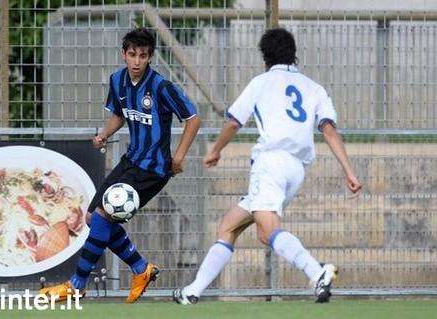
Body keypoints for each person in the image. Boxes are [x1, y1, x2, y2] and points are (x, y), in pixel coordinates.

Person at [173, 27, 362, 304]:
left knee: (267, 230)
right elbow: (329, 130)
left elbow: (235, 121)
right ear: (293, 54)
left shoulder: (261, 82)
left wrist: (215, 149)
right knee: (229, 226)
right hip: (296, 170)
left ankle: (316, 271)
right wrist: (349, 171)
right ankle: (193, 292)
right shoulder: (314, 88)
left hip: (271, 163)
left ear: (265, 56)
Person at [40, 28, 201, 303]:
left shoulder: (161, 87)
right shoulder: (118, 81)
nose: (137, 61)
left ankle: (77, 284)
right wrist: (105, 133)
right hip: (131, 160)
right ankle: (141, 269)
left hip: (154, 168)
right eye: (132, 54)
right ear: (123, 54)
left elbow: (193, 118)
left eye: (143, 56)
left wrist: (179, 156)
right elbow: (120, 114)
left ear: (150, 57)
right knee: (93, 218)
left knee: (103, 215)